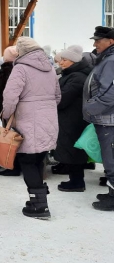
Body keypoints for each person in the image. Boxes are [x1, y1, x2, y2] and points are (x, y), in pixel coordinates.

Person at [3, 37, 60, 219]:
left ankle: (39, 205)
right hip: (48, 120)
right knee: (38, 160)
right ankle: (39, 200)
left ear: (21, 51)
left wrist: (6, 116)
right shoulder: (50, 68)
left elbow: (10, 97)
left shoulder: (20, 68)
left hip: (27, 121)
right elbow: (58, 96)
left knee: (27, 162)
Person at [83, 26, 114, 211]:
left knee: (111, 158)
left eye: (98, 40)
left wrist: (92, 107)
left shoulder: (111, 60)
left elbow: (110, 92)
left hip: (109, 118)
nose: (95, 44)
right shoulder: (106, 59)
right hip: (106, 117)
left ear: (110, 41)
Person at [54, 45, 91, 192]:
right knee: (71, 149)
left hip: (73, 119)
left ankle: (77, 182)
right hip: (71, 118)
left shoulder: (77, 77)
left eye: (64, 60)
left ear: (73, 61)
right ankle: (74, 179)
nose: (61, 63)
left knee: (74, 150)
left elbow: (62, 99)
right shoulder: (72, 74)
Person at [0, 46, 21, 176]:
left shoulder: (7, 70)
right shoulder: (20, 69)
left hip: (8, 109)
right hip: (18, 109)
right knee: (16, 137)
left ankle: (12, 165)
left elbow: (2, 93)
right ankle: (16, 165)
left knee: (10, 137)